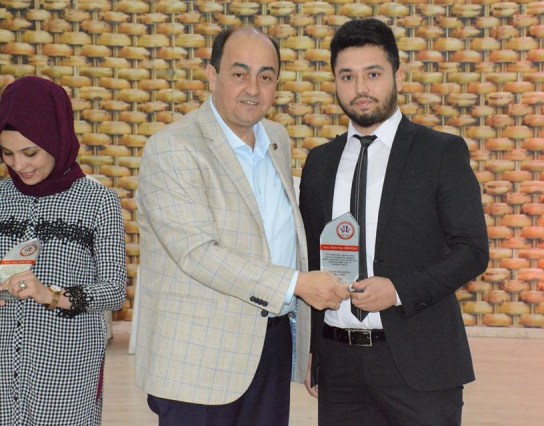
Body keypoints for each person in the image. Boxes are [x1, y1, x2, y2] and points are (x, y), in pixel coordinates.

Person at [134, 27, 349, 425]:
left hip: (271, 345)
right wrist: (296, 284)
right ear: (212, 76)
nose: (253, 88)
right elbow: (197, 253)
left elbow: (280, 238)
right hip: (198, 361)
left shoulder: (276, 139)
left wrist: (306, 339)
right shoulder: (173, 147)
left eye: (266, 76)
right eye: (239, 73)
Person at [299, 19, 490, 426]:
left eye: (373, 74)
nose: (360, 88)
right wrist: (314, 346)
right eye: (347, 77)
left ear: (397, 76)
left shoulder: (440, 153)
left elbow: (472, 251)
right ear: (335, 82)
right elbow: (311, 258)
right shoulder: (320, 163)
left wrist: (399, 290)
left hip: (419, 362)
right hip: (339, 365)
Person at [0, 76, 127, 425]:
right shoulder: (1, 198)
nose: (19, 165)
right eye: (7, 153)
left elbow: (114, 291)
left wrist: (49, 294)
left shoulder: (98, 201)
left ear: (57, 137)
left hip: (66, 369)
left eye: (30, 152)